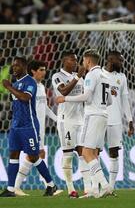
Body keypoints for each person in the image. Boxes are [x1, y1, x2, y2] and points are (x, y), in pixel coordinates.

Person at [56, 49, 113, 198]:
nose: (80, 63)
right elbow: (110, 100)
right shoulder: (105, 75)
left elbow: (86, 97)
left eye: (81, 60)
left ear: (87, 61)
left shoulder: (91, 75)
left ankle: (105, 186)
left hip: (92, 116)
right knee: (93, 152)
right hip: (104, 115)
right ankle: (94, 189)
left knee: (86, 153)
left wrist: (65, 99)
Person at [0, 57, 57, 197]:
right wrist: (11, 87)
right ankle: (11, 189)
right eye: (13, 66)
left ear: (25, 67)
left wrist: (8, 87)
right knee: (13, 155)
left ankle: (51, 184)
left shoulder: (30, 82)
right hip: (15, 126)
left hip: (28, 126)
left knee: (33, 156)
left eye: (17, 66)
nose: (14, 68)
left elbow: (25, 98)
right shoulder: (17, 83)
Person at [14, 60, 62, 196]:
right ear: (33, 71)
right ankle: (49, 185)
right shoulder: (28, 85)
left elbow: (45, 108)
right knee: (36, 154)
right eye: (41, 70)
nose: (44, 72)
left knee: (35, 155)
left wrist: (57, 120)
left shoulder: (40, 86)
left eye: (45, 69)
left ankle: (16, 187)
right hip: (31, 126)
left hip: (40, 127)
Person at [51, 52, 88, 198]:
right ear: (65, 61)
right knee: (68, 154)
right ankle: (71, 189)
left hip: (81, 119)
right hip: (66, 121)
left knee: (83, 154)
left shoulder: (80, 78)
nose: (76, 62)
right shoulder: (57, 76)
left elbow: (85, 96)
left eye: (77, 60)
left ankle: (87, 188)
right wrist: (78, 76)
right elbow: (64, 91)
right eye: (73, 60)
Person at [100, 51, 134, 190]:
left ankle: (111, 187)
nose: (122, 63)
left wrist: (130, 120)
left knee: (114, 152)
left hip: (115, 121)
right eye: (120, 60)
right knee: (94, 152)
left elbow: (125, 100)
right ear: (111, 59)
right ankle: (95, 185)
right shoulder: (97, 74)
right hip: (99, 119)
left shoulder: (122, 77)